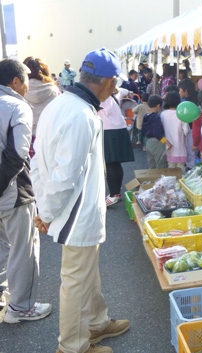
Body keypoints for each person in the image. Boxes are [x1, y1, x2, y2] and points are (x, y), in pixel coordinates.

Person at [31, 48, 130, 353]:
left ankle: (97, 324)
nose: (116, 89)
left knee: (87, 271)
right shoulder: (81, 114)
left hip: (69, 208)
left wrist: (42, 205)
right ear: (106, 81)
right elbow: (65, 175)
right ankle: (72, 346)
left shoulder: (60, 103)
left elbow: (37, 160)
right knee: (75, 280)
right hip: (74, 212)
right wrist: (45, 212)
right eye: (115, 83)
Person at [0, 59, 52, 323]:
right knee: (24, 249)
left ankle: (3, 296)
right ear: (16, 82)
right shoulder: (17, 106)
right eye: (24, 83)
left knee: (1, 246)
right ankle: (21, 308)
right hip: (13, 191)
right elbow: (19, 152)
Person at [98, 87, 135, 207]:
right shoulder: (116, 91)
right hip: (120, 129)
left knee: (109, 163)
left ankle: (114, 195)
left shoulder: (97, 95)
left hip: (107, 130)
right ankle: (116, 193)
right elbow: (126, 91)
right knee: (116, 163)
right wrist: (129, 92)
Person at [23, 57, 60, 157]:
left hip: (27, 138)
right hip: (50, 137)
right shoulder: (55, 90)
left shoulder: (21, 91)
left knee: (30, 171)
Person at [160, 91, 188, 172]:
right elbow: (186, 131)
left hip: (168, 147)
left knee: (171, 168)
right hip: (180, 147)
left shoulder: (163, 114)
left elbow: (160, 130)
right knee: (181, 169)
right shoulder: (181, 114)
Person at [142, 95, 171, 169]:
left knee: (151, 165)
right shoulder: (156, 117)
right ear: (158, 106)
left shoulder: (146, 116)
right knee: (160, 165)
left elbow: (143, 131)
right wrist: (166, 141)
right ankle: (159, 180)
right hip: (157, 143)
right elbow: (157, 133)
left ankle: (152, 180)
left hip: (148, 143)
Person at [178, 78, 198, 169]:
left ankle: (191, 169)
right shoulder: (194, 98)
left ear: (186, 91)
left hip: (192, 130)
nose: (179, 92)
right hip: (193, 129)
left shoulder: (189, 103)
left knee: (191, 151)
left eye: (180, 90)